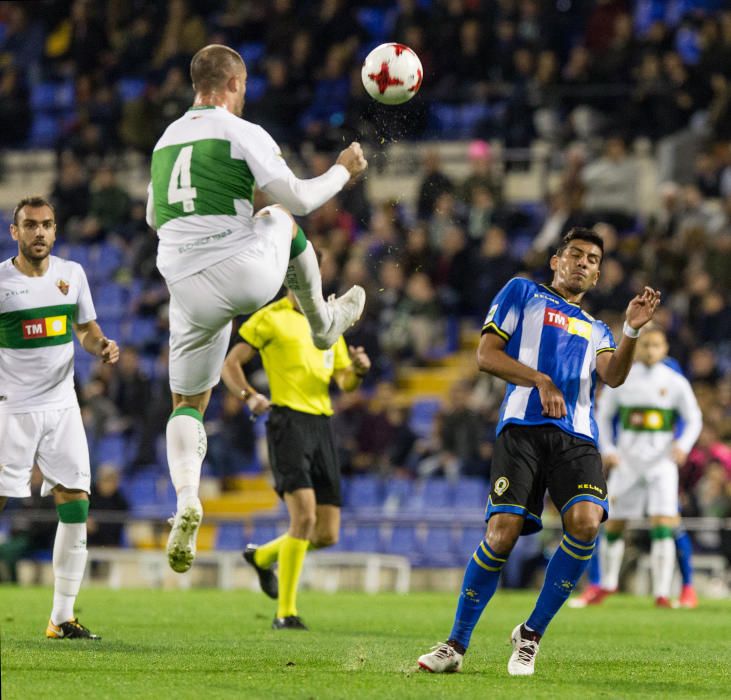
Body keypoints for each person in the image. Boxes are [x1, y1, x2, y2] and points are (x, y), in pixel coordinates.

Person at [145, 44, 368, 574]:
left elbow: (157, 216)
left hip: (184, 284)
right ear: (236, 84)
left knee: (186, 403)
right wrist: (342, 171)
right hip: (242, 274)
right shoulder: (241, 132)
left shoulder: (164, 141)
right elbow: (301, 198)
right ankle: (323, 323)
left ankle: (185, 500)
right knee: (283, 221)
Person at [417, 228, 661, 676]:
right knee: (502, 534)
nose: (583, 262)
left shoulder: (599, 328)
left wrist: (630, 330)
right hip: (523, 430)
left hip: (577, 437)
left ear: (598, 273)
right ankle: (455, 645)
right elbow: (487, 355)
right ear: (555, 261)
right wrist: (540, 380)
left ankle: (530, 635)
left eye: (592, 259)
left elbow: (615, 376)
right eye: (575, 254)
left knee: (586, 523)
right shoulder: (522, 291)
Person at [0, 195, 120, 639]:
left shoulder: (73, 275)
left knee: (76, 502)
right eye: (30, 225)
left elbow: (86, 330)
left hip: (62, 404)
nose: (39, 233)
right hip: (11, 407)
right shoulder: (1, 283)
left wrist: (102, 345)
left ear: (55, 230)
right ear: (15, 232)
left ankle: (61, 617)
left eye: (47, 225)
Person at [220, 289, 370, 630]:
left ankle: (262, 557)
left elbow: (345, 381)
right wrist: (249, 395)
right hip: (287, 422)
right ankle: (285, 613)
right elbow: (231, 363)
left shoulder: (328, 322)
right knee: (303, 517)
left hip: (322, 425)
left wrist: (359, 370)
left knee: (327, 534)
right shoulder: (269, 317)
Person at [571, 326, 702, 608]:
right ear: (637, 347)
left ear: (665, 348)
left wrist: (683, 446)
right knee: (614, 523)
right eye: (645, 345)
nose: (651, 350)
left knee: (664, 523)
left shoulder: (675, 381)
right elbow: (602, 416)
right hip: (627, 462)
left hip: (661, 463)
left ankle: (663, 593)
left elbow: (694, 418)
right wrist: (609, 449)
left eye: (656, 345)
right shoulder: (623, 379)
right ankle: (605, 584)